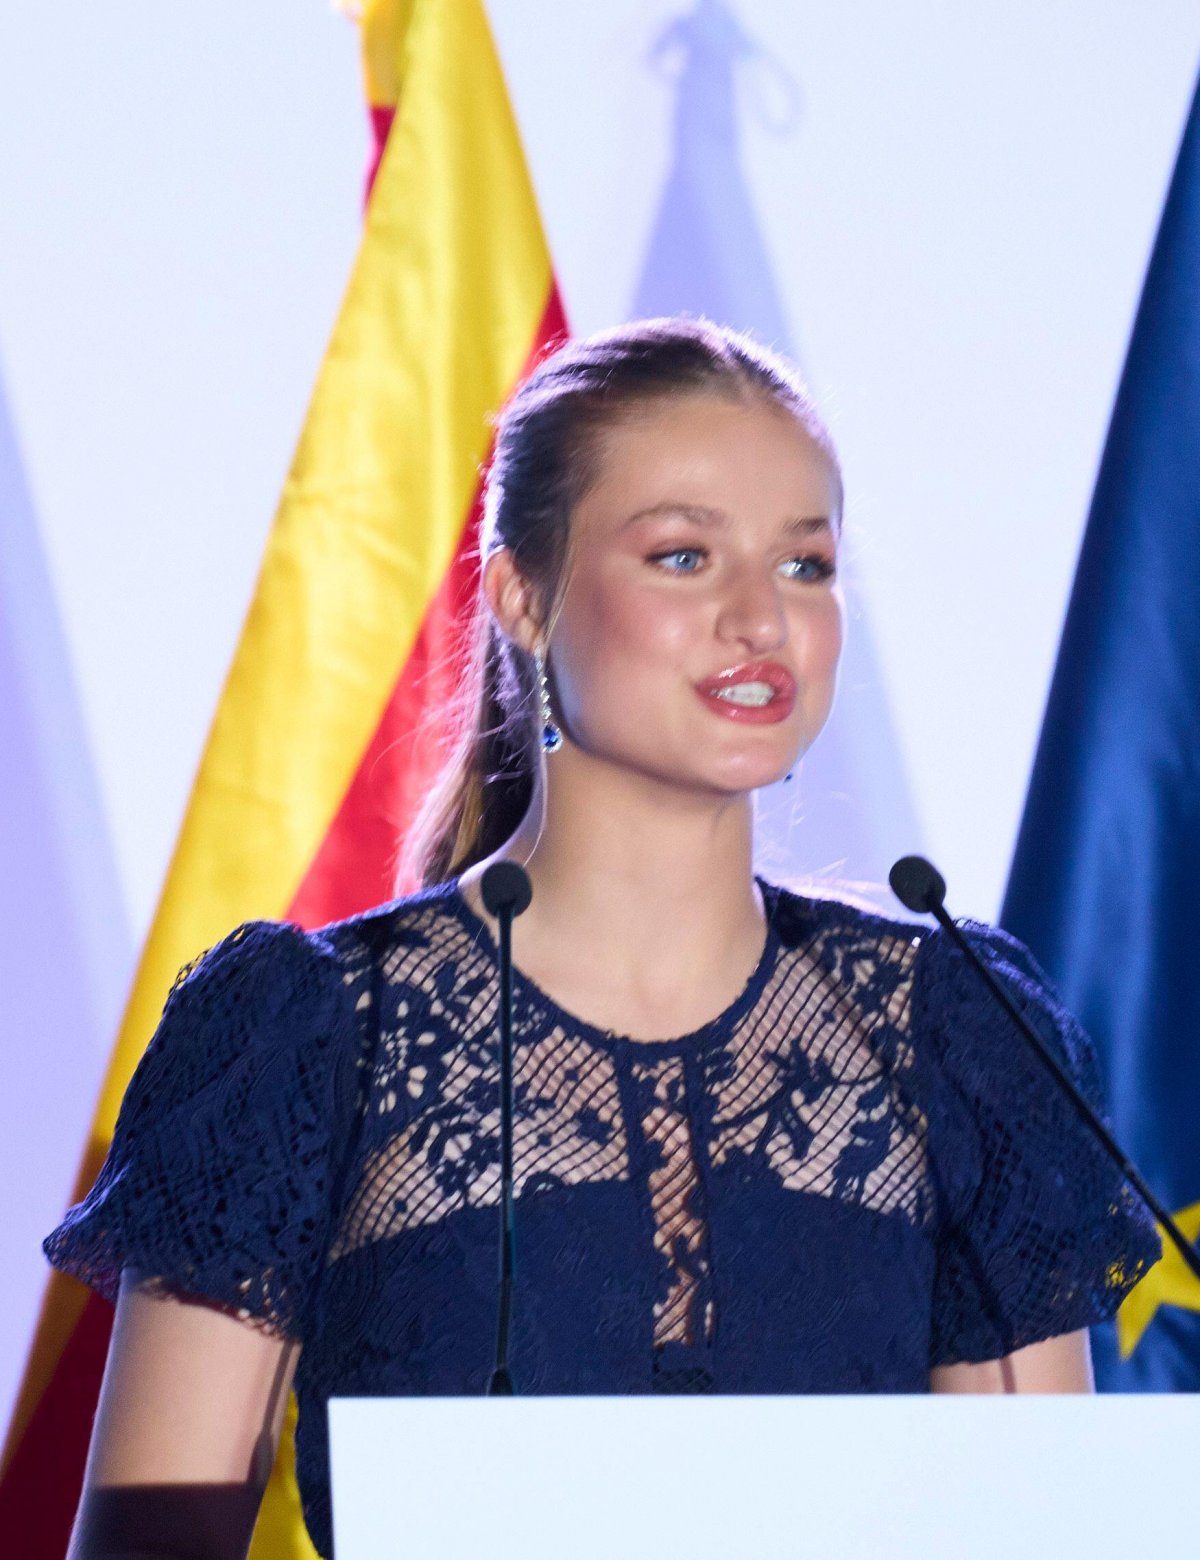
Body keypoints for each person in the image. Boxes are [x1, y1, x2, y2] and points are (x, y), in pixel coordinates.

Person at [45, 317, 1162, 1560]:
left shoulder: (954, 1031)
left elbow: (1044, 1538)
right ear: (522, 593)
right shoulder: (310, 1037)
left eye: (806, 565)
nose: (761, 620)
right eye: (686, 556)